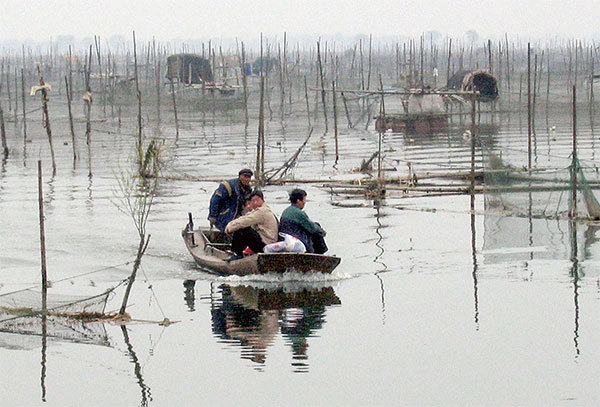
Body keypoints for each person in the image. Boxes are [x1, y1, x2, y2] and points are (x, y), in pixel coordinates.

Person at [224, 190, 278, 258]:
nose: (255, 203)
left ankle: (236, 254)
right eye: (253, 201)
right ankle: (237, 252)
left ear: (262, 200)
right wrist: (230, 224)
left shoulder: (263, 211)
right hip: (264, 241)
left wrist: (230, 228)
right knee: (241, 227)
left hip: (267, 244)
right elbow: (245, 217)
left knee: (243, 229)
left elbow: (246, 221)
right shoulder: (258, 210)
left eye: (257, 200)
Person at [279, 188, 327, 254]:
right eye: (304, 200)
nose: (305, 202)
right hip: (295, 239)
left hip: (285, 237)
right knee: (316, 229)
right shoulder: (298, 213)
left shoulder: (286, 210)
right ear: (298, 201)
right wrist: (322, 232)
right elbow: (312, 227)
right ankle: (319, 254)